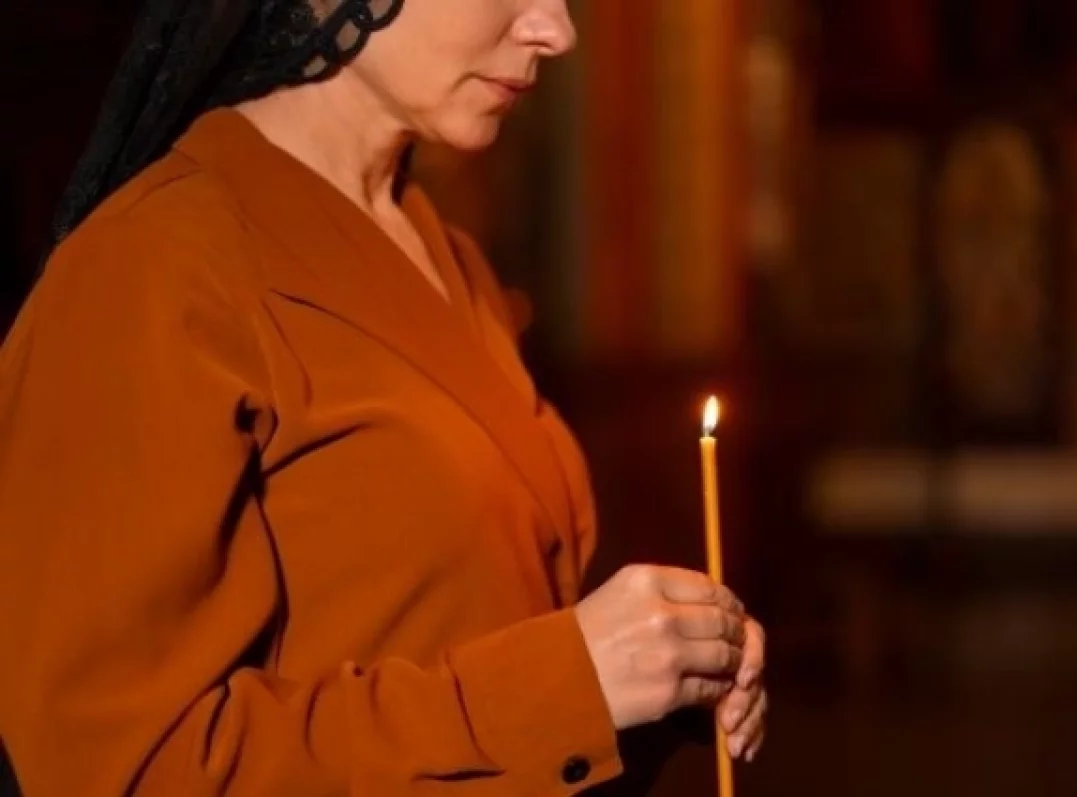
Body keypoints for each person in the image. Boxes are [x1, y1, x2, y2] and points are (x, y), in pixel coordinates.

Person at [0, 0, 767, 794]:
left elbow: (472, 645)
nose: (557, 31)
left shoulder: (449, 253)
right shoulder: (145, 271)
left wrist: (658, 680)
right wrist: (567, 685)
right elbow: (118, 767)